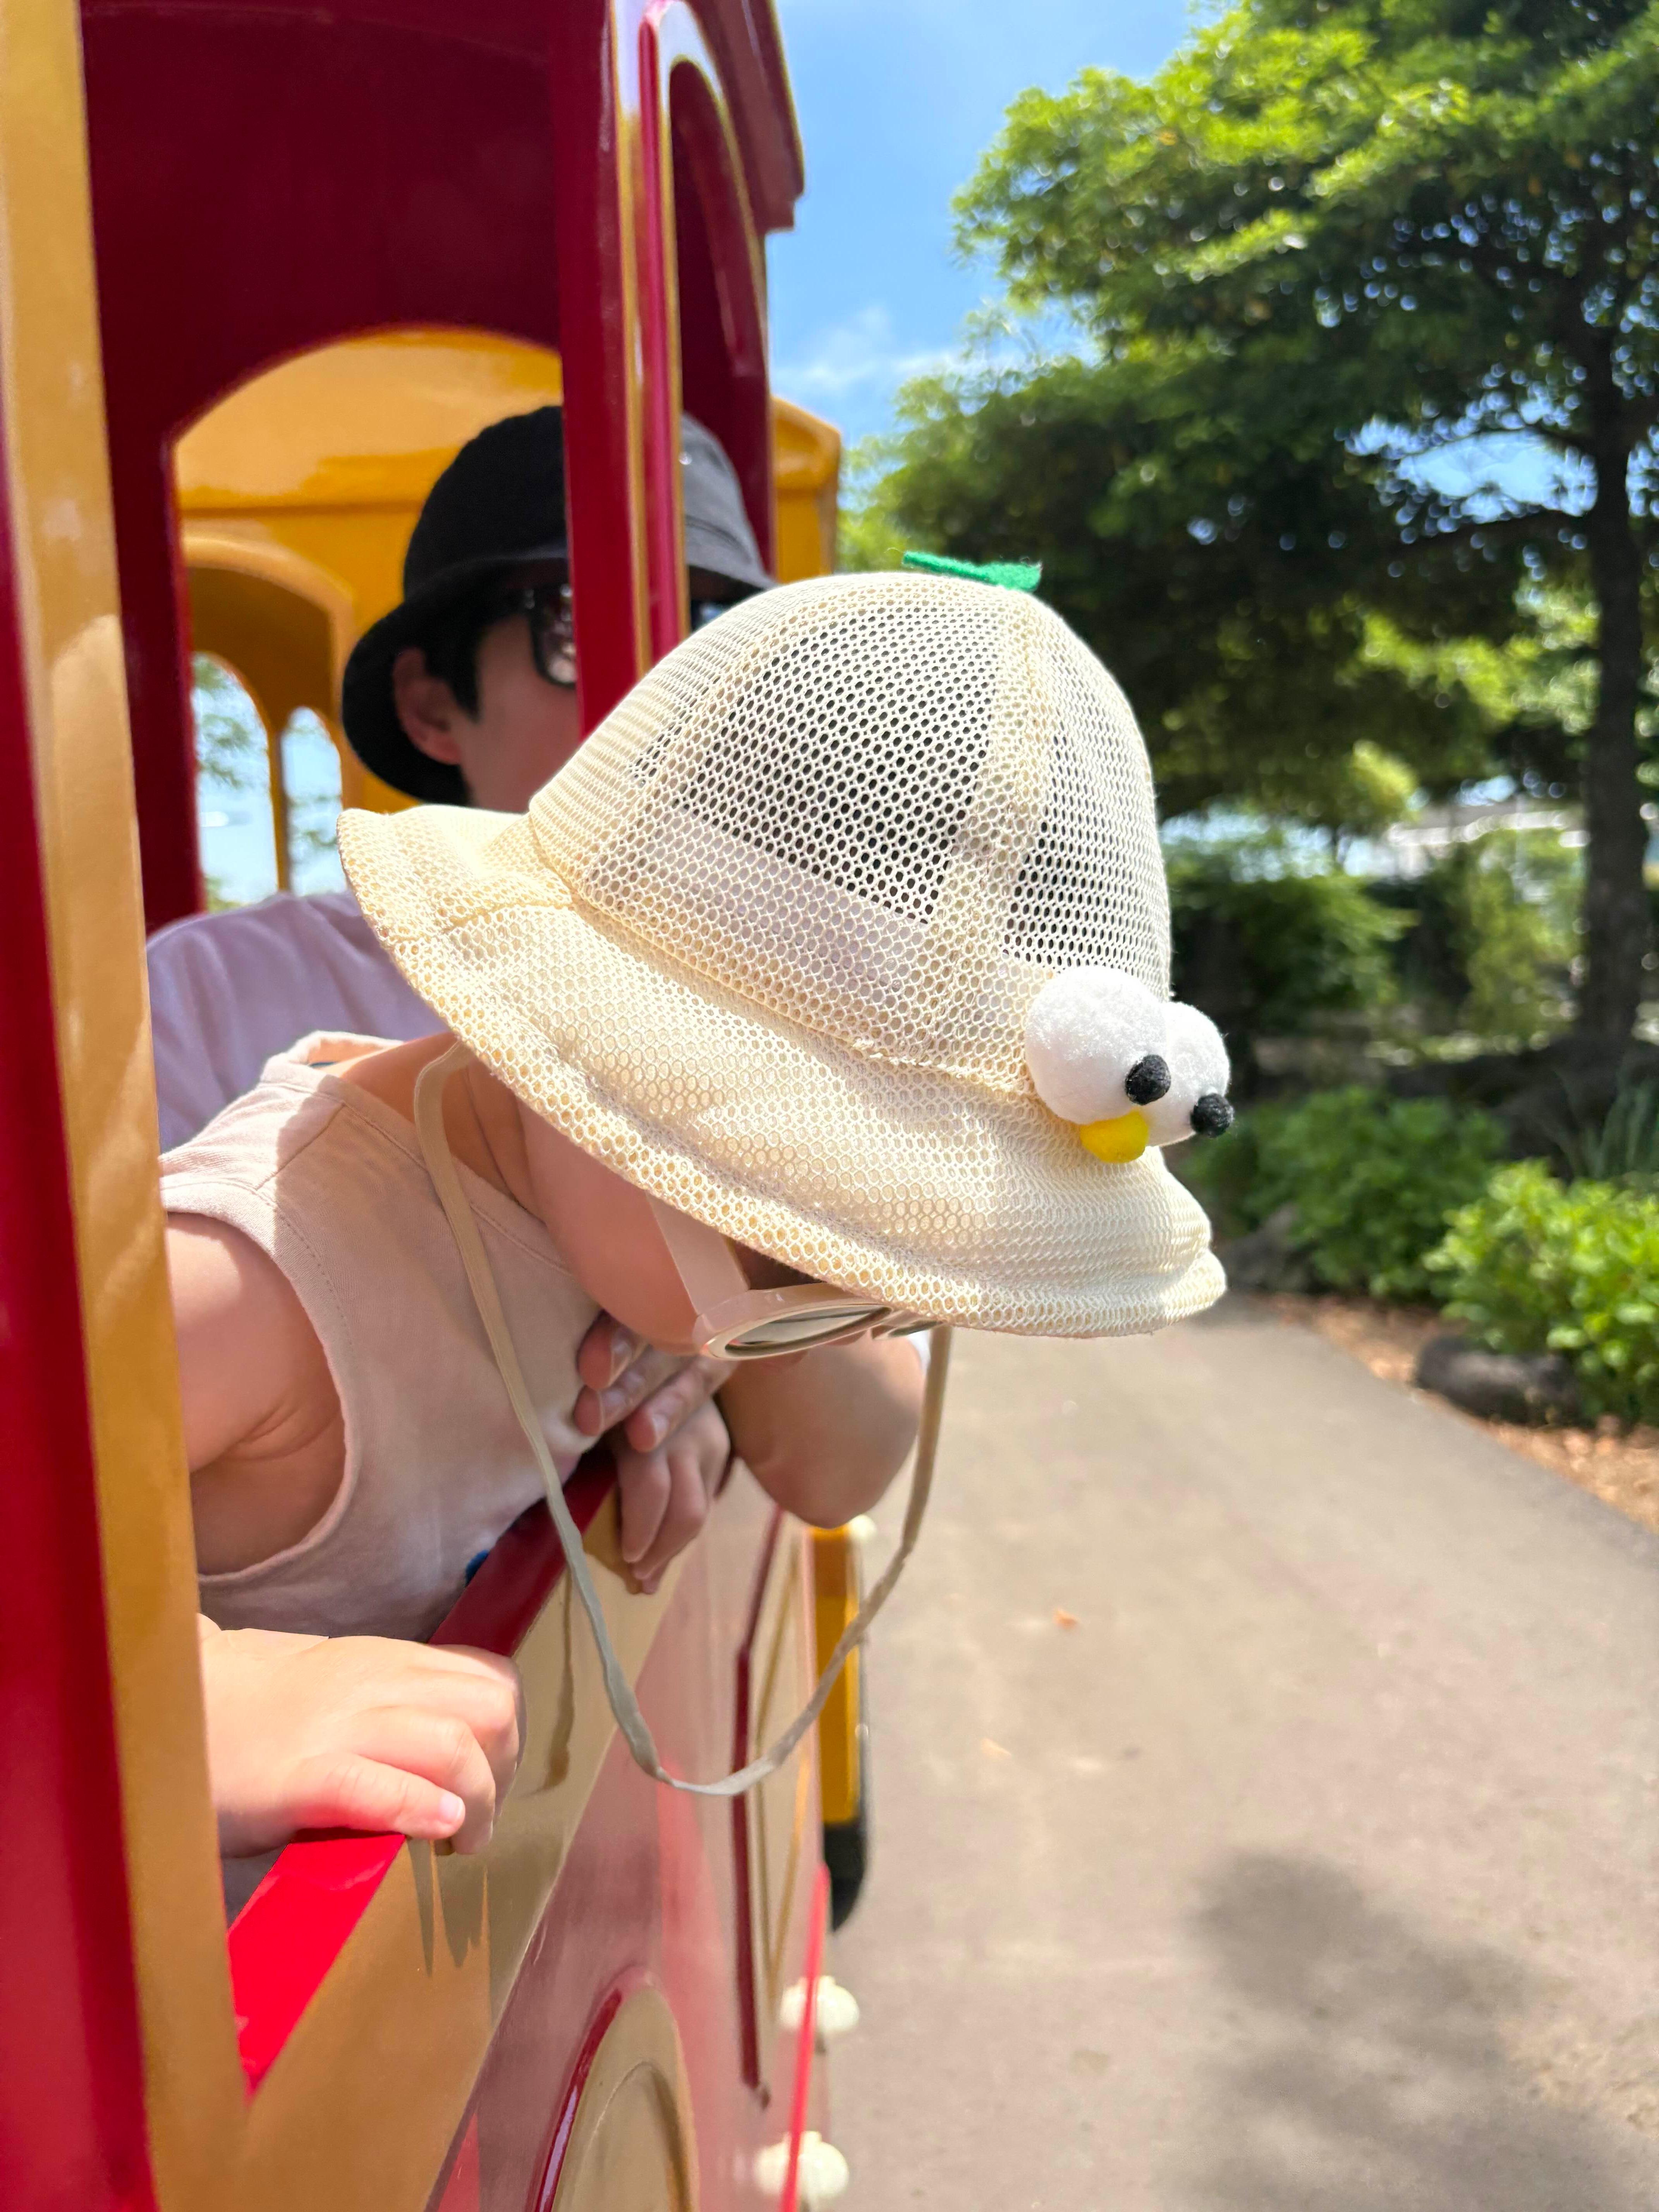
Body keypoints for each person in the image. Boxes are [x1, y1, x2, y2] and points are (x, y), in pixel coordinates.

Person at [180, 563, 1228, 1861]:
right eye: (792, 1207)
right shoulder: (255, 1273)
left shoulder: (579, 1215)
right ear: (599, 1065)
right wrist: (173, 1702)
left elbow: (843, 1464)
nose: (845, 1278)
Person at [148, 409, 773, 1149]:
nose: (678, 692)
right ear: (432, 706)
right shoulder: (218, 994)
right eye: (579, 625)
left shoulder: (829, 980)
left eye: (718, 630)